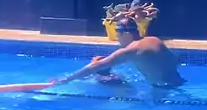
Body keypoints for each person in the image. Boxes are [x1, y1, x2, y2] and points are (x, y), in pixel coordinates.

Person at [56, 18, 185, 88]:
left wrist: (67, 79)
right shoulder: (154, 40)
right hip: (180, 83)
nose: (117, 40)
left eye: (118, 36)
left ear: (127, 34)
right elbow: (174, 60)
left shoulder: (131, 50)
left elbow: (95, 66)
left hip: (163, 89)